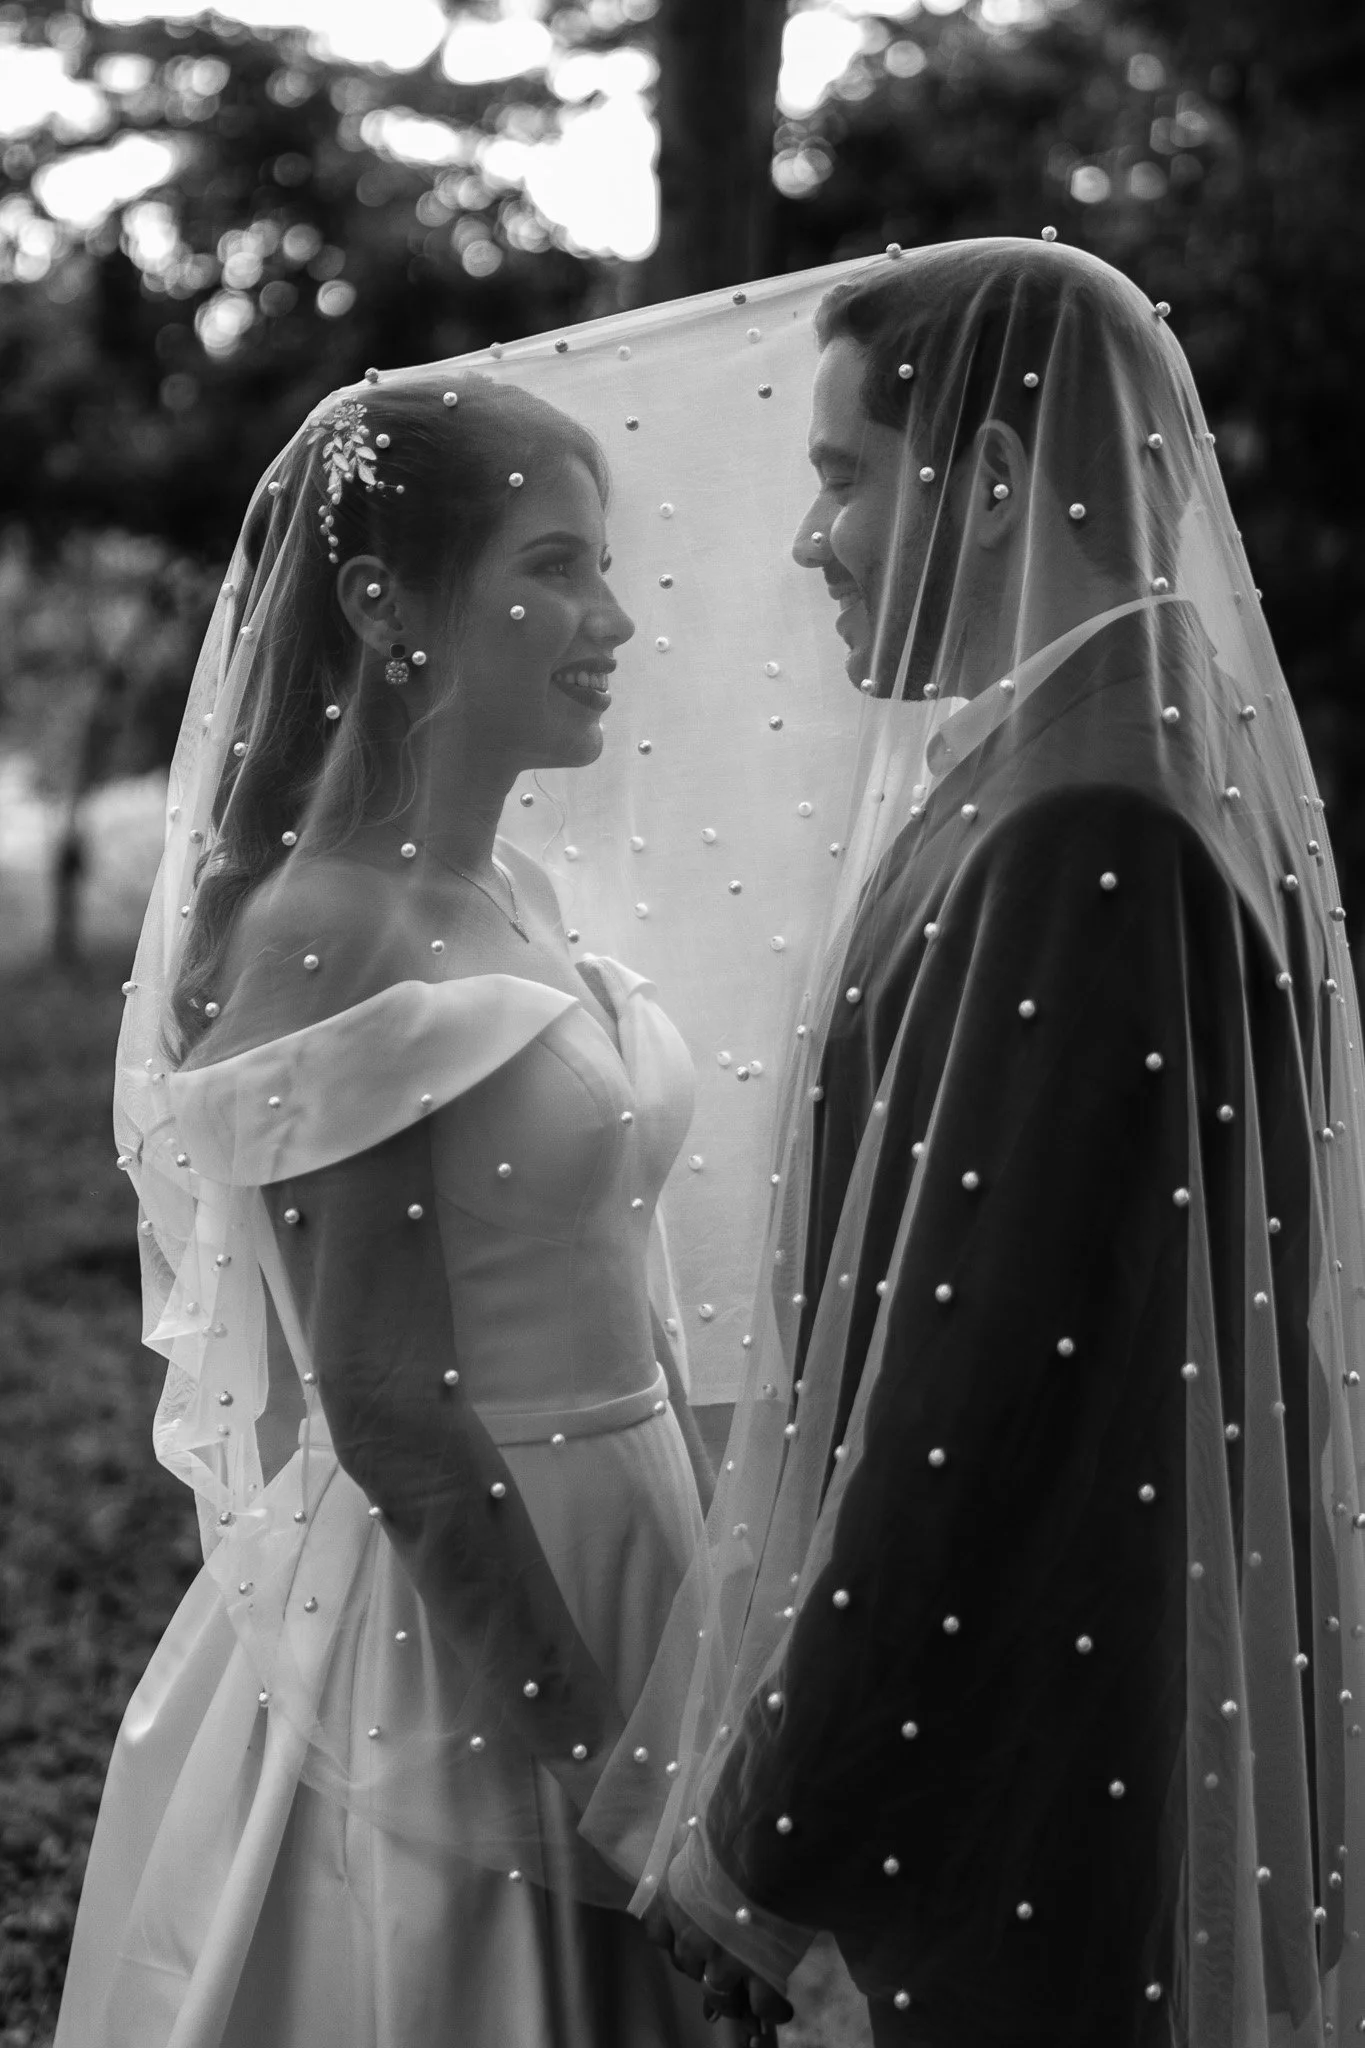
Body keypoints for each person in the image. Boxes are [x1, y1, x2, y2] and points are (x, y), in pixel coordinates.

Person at [610, 241, 1365, 2048]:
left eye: (843, 472)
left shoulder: (1093, 814)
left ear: (999, 478)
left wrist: (768, 1831)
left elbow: (977, 1394)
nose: (812, 540)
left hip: (1031, 1754)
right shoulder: (1108, 749)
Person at [55, 373, 742, 2048]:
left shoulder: (519, 888)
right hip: (470, 1606)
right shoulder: (326, 927)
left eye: (605, 568)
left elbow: (619, 1255)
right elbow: (386, 1410)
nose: (613, 619)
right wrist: (599, 1763)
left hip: (643, 1536)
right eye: (556, 567)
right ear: (383, 604)